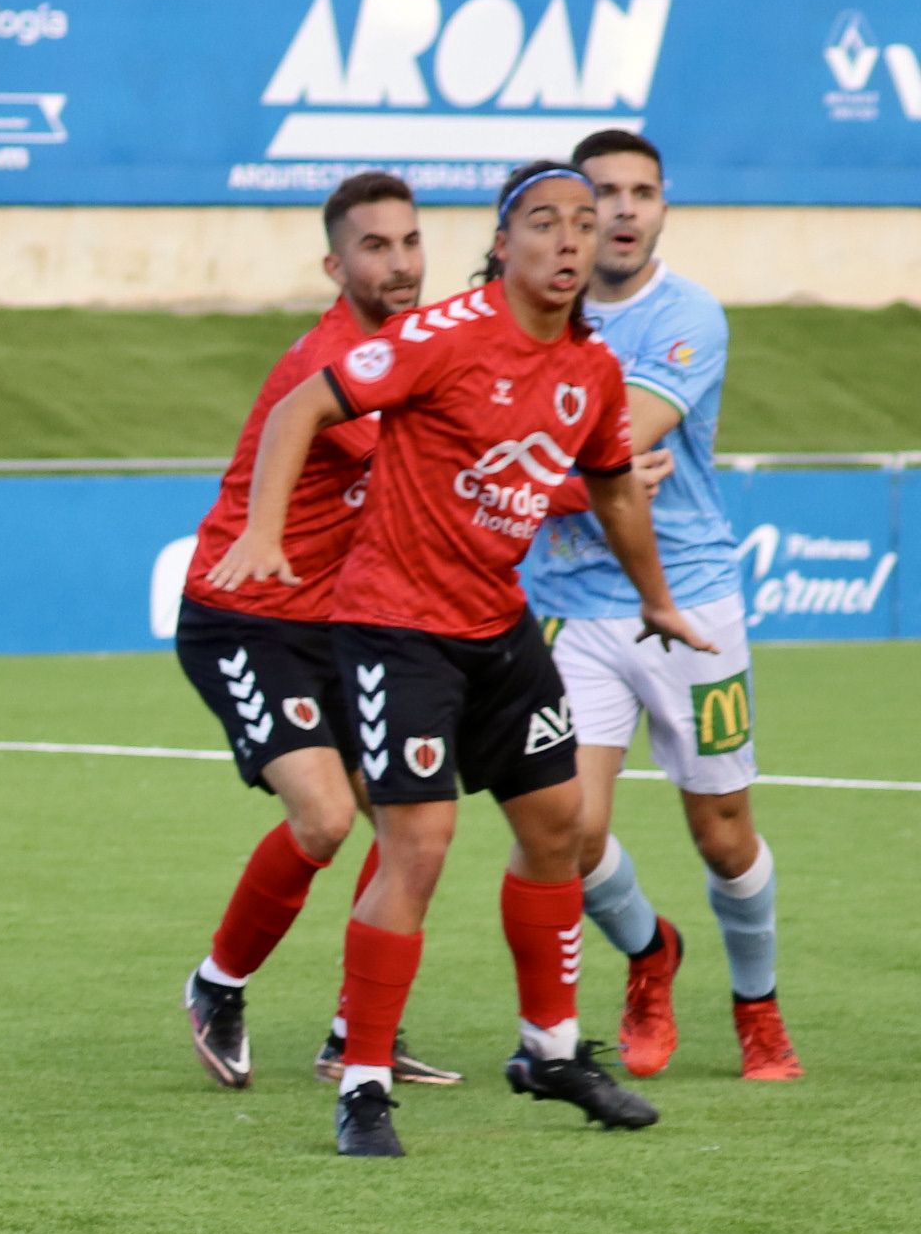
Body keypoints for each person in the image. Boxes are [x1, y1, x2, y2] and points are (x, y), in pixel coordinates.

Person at [212, 161, 701, 1159]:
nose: (571, 238)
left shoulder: (593, 369)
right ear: (504, 243)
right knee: (419, 848)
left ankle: (550, 1049)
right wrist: (264, 533)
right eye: (545, 223)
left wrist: (657, 599)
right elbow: (303, 404)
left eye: (585, 220)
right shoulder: (443, 338)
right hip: (397, 630)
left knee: (559, 823)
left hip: (497, 626)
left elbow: (611, 489)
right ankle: (362, 1085)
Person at [171, 170, 459, 1093]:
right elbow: (433, 466)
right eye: (375, 246)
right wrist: (584, 476)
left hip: (342, 623)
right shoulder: (330, 364)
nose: (401, 262)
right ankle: (218, 985)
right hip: (244, 615)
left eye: (410, 241)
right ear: (335, 264)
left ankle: (355, 1030)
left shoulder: (421, 347)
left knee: (411, 824)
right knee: (329, 816)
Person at [529, 129, 799, 1084]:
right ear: (573, 214)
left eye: (644, 191)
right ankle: (650, 956)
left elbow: (619, 439)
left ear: (664, 206)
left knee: (723, 833)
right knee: (569, 831)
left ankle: (757, 1007)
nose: (627, 209)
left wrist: (514, 427)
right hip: (569, 604)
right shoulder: (532, 312)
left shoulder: (689, 315)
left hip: (693, 601)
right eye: (606, 193)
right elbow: (583, 458)